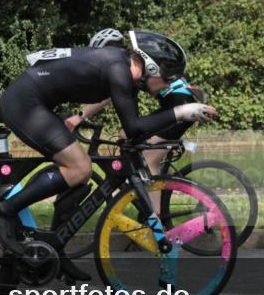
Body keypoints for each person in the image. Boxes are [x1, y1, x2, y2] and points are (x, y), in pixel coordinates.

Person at [0, 30, 216, 280]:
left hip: (34, 101)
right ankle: (3, 211)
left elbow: (133, 130)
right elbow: (134, 127)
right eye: (168, 77)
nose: (170, 84)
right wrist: (182, 111)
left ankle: (57, 249)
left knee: (77, 175)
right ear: (151, 68)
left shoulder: (122, 69)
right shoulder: (118, 70)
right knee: (79, 168)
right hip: (25, 103)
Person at [72, 28, 205, 183]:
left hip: (180, 105)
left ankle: (155, 205)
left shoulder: (129, 66)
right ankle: (146, 177)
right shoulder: (133, 61)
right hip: (177, 102)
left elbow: (107, 97)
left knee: (148, 163)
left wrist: (82, 116)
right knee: (125, 135)